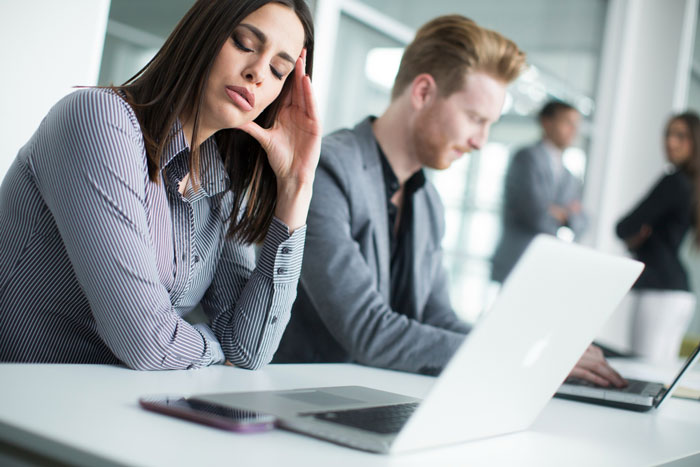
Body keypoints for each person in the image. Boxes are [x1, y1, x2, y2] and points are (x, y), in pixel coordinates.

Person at [274, 15, 625, 388]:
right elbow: (369, 331)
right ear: (423, 93)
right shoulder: (327, 170)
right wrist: (519, 354)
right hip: (300, 397)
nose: (481, 141)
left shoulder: (428, 203)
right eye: (475, 118)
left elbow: (438, 318)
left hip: (380, 395)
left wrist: (536, 348)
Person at [0, 0, 320, 370]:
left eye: (279, 70)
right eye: (245, 44)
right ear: (203, 33)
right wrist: (217, 351)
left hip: (108, 412)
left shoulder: (219, 185)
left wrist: (297, 184)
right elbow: (148, 342)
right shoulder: (99, 121)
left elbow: (249, 350)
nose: (258, 73)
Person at [617, 111, 700, 362]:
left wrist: (636, 236)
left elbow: (624, 227)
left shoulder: (674, 181)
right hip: (680, 293)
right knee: (662, 376)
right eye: (667, 134)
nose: (670, 142)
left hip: (659, 291)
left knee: (642, 370)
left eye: (680, 136)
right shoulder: (692, 184)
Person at [491, 100, 587, 283]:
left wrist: (562, 214)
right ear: (546, 122)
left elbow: (584, 221)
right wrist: (566, 214)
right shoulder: (526, 158)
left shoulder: (569, 175)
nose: (573, 130)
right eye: (567, 123)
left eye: (576, 125)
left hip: (546, 265)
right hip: (518, 261)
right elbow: (535, 214)